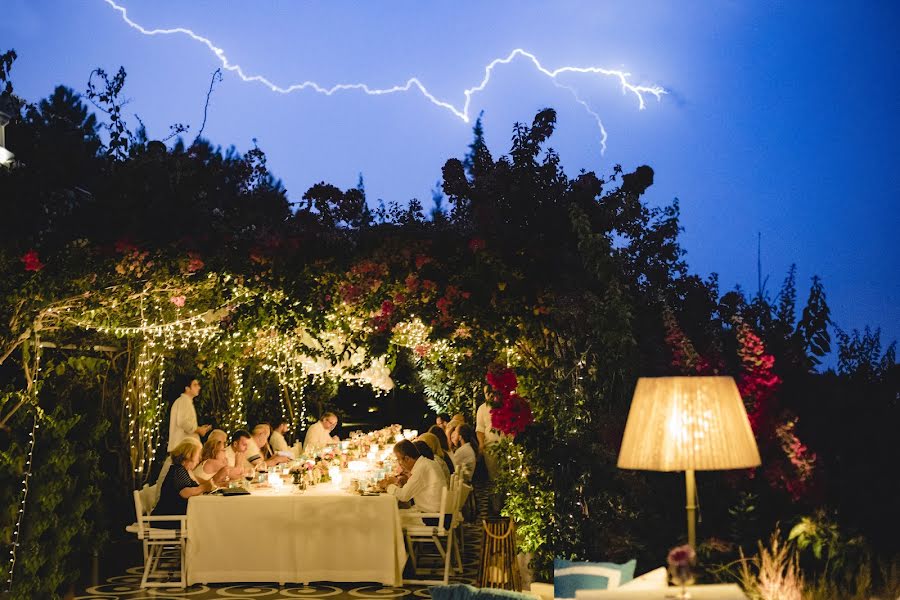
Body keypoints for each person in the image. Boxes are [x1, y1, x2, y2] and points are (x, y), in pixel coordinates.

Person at [378, 440, 446, 524]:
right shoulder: (427, 463)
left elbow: (404, 496)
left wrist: (388, 485)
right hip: (436, 513)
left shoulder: (421, 468)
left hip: (432, 518)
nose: (399, 464)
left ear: (407, 458)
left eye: (398, 460)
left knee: (390, 517)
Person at [152, 438, 212, 527]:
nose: (199, 459)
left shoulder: (183, 471)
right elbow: (185, 492)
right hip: (167, 518)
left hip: (174, 517)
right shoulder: (178, 470)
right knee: (204, 523)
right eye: (198, 454)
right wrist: (204, 487)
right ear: (189, 455)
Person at [476, 384, 503, 511]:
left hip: (506, 446)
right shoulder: (482, 409)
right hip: (490, 446)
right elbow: (480, 429)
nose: (491, 396)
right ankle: (496, 506)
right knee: (494, 476)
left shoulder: (505, 406)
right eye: (487, 394)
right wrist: (481, 445)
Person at [167, 376, 211, 452]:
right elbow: (183, 422)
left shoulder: (186, 401)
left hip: (185, 447)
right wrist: (198, 430)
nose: (199, 387)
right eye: (195, 385)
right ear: (187, 388)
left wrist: (199, 429)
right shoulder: (183, 401)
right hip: (183, 448)